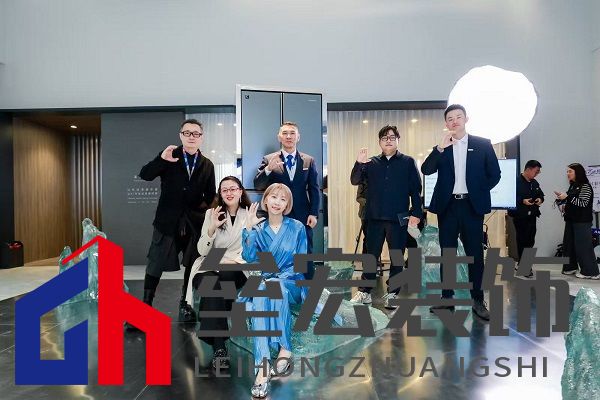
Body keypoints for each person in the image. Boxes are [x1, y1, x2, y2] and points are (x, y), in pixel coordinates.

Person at [421, 104, 501, 321]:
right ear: (446, 123)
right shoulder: (443, 147)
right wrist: (439, 148)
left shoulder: (482, 144)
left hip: (471, 206)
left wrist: (478, 191)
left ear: (466, 119)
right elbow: (426, 170)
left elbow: (495, 174)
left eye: (458, 117)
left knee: (475, 254)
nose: (454, 121)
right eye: (450, 118)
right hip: (448, 207)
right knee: (447, 253)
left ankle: (478, 300)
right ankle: (447, 298)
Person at [137, 119, 216, 323]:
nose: (191, 137)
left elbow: (210, 195)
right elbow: (145, 175)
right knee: (155, 262)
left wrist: (203, 213)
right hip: (167, 221)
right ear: (181, 135)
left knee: (192, 264)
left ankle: (185, 304)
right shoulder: (169, 155)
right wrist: (161, 159)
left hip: (194, 223)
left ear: (201, 138)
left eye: (196, 133)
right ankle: (145, 307)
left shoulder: (207, 164)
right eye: (187, 133)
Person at [242, 183, 308, 398]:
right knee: (264, 289)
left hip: (292, 282)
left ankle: (284, 347)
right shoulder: (258, 228)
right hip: (266, 281)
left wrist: (279, 277)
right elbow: (249, 257)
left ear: (287, 204)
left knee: (273, 285)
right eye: (273, 197)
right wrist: (249, 229)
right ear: (266, 200)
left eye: (283, 199)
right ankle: (262, 367)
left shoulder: (297, 227)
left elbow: (301, 264)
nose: (277, 202)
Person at [350, 125, 423, 309]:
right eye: (384, 138)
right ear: (379, 142)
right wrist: (359, 163)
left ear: (398, 140)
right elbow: (355, 180)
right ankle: (364, 292)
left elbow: (416, 190)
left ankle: (393, 294)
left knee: (397, 257)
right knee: (370, 256)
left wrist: (416, 213)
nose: (388, 140)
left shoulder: (407, 162)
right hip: (374, 217)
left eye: (392, 137)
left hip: (399, 217)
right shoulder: (371, 162)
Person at [186, 176, 250, 369]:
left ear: (240, 191)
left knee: (225, 277)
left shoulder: (250, 215)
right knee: (210, 282)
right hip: (211, 261)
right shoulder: (211, 214)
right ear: (220, 194)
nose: (229, 193)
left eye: (233, 189)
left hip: (237, 263)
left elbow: (252, 250)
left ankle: (217, 342)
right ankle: (219, 346)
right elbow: (202, 251)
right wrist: (212, 227)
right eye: (224, 190)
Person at [253, 122, 319, 279]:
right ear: (279, 137)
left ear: (298, 137)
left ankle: (307, 286)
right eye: (285, 133)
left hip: (303, 214)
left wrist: (314, 213)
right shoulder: (269, 159)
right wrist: (268, 169)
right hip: (278, 213)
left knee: (304, 251)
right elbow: (258, 185)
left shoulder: (308, 160)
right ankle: (279, 284)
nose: (288, 136)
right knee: (277, 250)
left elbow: (314, 188)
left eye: (292, 133)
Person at [554, 163, 600, 279]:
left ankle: (590, 272)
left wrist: (567, 197)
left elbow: (583, 203)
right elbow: (572, 201)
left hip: (582, 221)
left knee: (583, 246)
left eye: (570, 171)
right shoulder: (573, 185)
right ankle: (570, 267)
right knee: (568, 245)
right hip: (571, 219)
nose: (568, 173)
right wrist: (562, 200)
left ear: (577, 173)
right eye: (567, 171)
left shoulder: (585, 186)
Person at [508, 160, 544, 278]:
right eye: (536, 171)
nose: (537, 174)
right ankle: (525, 267)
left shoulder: (534, 183)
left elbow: (541, 195)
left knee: (530, 240)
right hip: (520, 216)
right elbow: (510, 197)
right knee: (523, 241)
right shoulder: (515, 182)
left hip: (532, 215)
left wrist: (539, 200)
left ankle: (523, 265)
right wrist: (522, 201)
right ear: (528, 169)